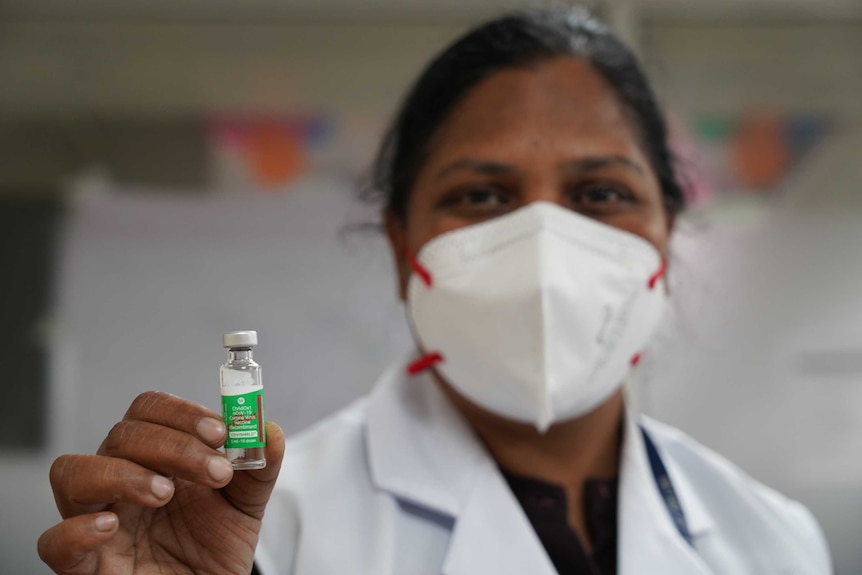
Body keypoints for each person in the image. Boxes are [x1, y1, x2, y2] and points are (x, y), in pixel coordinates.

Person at [38, 8, 832, 575]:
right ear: (400, 244)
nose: (546, 251)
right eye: (483, 196)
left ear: (666, 232)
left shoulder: (774, 539)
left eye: (599, 194)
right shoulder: (260, 532)